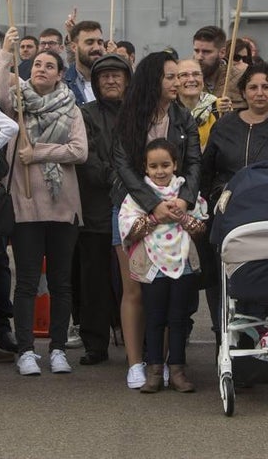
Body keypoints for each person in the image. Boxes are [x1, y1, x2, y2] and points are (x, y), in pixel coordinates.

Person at [0, 28, 88, 376]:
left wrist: (38, 153)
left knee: (62, 283)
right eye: (36, 65)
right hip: (24, 205)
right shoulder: (15, 104)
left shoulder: (71, 108)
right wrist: (6, 52)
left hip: (63, 207)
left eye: (49, 65)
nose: (41, 69)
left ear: (60, 74)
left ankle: (59, 348)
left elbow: (79, 151)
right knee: (27, 282)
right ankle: (26, 350)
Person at [112, 52, 201, 389]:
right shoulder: (129, 116)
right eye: (170, 77)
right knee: (136, 288)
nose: (179, 82)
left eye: (179, 76)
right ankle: (136, 363)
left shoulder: (184, 117)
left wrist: (184, 200)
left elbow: (193, 163)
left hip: (175, 211)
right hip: (132, 210)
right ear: (153, 80)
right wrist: (152, 205)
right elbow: (123, 165)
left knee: (168, 288)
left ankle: (162, 363)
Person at [200, 63, 268, 338]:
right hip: (226, 215)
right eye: (253, 87)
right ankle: (224, 338)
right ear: (243, 92)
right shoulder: (223, 126)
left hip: (267, 217)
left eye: (266, 87)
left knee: (258, 279)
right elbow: (206, 171)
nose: (260, 92)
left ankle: (256, 338)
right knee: (223, 280)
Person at [118, 139, 204, 394]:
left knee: (178, 318)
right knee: (154, 318)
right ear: (145, 168)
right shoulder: (137, 196)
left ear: (175, 165)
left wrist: (182, 216)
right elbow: (130, 230)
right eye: (153, 166)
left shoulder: (186, 193)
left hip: (182, 262)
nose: (160, 171)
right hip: (152, 265)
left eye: (165, 165)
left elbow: (200, 228)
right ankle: (155, 372)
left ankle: (177, 371)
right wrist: (156, 216)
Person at [75, 53, 132, 366]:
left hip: (133, 207)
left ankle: (134, 335)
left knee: (131, 278)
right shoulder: (85, 114)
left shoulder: (139, 113)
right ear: (96, 82)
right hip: (96, 206)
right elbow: (87, 157)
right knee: (94, 280)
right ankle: (95, 343)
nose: (111, 80)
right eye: (104, 76)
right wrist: (118, 178)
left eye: (116, 75)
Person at [176, 58, 219, 149]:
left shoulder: (219, 107)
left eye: (196, 74)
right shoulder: (167, 111)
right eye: (184, 75)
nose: (191, 79)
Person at [63, 20, 105, 107]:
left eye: (100, 43)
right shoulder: (63, 86)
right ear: (74, 47)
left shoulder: (114, 81)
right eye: (90, 43)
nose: (97, 48)